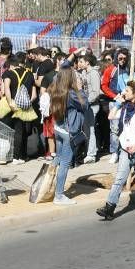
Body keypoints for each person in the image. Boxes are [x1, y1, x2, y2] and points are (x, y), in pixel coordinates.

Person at [96, 79, 135, 220]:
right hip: (125, 149)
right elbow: (110, 116)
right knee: (119, 179)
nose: (124, 92)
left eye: (127, 91)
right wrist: (118, 103)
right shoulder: (125, 108)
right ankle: (109, 208)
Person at [49, 67, 88, 205]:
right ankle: (58, 196)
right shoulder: (71, 94)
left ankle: (49, 185)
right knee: (65, 164)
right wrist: (80, 88)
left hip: (58, 129)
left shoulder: (56, 88)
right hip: (68, 132)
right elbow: (85, 105)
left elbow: (60, 72)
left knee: (58, 158)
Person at [100, 48, 131, 164]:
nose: (122, 60)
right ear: (116, 57)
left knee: (126, 127)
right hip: (114, 103)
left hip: (127, 103)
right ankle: (114, 152)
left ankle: (124, 151)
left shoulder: (128, 69)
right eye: (120, 58)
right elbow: (103, 85)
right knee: (114, 129)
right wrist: (114, 96)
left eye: (124, 58)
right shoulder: (110, 70)